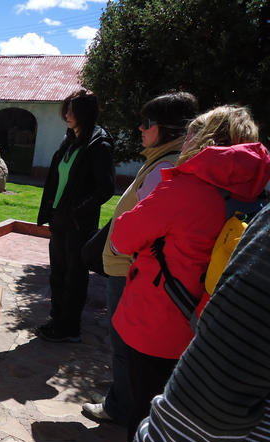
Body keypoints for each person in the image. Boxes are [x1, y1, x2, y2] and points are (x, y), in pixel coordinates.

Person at [108, 105, 270, 442]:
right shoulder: (258, 190)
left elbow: (121, 238)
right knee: (183, 409)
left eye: (192, 133)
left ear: (207, 139)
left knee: (147, 408)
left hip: (158, 321)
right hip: (214, 323)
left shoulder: (186, 188)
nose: (185, 141)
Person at [114, 195, 270, 442]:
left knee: (143, 392)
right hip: (184, 320)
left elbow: (214, 393)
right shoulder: (246, 197)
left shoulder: (188, 189)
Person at [83, 92, 199, 425]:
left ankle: (123, 411)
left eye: (147, 123)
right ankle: (122, 403)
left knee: (125, 347)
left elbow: (143, 229)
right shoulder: (165, 161)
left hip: (134, 272)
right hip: (139, 271)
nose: (141, 129)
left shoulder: (166, 166)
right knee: (130, 349)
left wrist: (120, 247)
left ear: (167, 128)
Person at [36, 89, 115, 343]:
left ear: (86, 113)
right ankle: (57, 318)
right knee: (58, 272)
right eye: (67, 109)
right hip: (60, 219)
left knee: (74, 276)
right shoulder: (69, 140)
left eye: (73, 110)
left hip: (79, 224)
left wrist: (77, 209)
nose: (68, 115)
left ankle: (70, 326)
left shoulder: (98, 144)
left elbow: (106, 187)